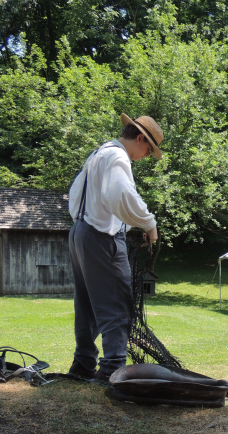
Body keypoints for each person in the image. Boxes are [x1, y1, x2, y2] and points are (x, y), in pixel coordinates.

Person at [66, 114, 163, 380]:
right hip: (101, 237)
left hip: (81, 232)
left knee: (87, 305)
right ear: (140, 138)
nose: (145, 155)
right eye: (148, 149)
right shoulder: (118, 157)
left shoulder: (99, 153)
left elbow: (77, 194)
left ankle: (84, 363)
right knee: (118, 303)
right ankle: (112, 368)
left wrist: (128, 225)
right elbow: (121, 194)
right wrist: (148, 223)